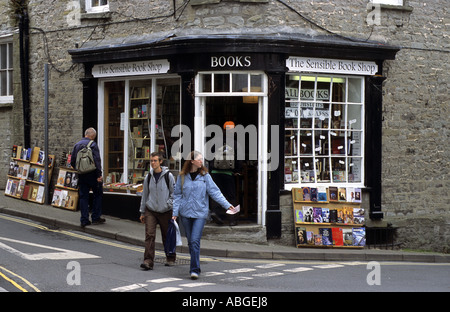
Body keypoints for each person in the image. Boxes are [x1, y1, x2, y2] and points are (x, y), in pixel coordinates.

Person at [172, 151, 234, 280]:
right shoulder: (182, 177)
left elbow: (215, 192)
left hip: (200, 213)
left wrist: (227, 205)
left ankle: (194, 270)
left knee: (195, 240)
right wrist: (175, 213)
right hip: (185, 214)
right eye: (199, 159)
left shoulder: (205, 176)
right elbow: (177, 195)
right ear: (192, 161)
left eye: (202, 159)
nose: (202, 161)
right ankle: (196, 265)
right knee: (191, 242)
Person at [139, 152, 176, 270]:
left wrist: (168, 205)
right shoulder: (148, 177)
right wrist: (142, 212)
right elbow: (145, 195)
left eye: (155, 160)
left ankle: (170, 257)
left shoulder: (168, 176)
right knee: (149, 235)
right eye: (151, 161)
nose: (153, 163)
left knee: (167, 235)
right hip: (151, 210)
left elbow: (174, 193)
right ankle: (148, 261)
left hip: (165, 211)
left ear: (160, 162)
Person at [209, 121, 242, 226]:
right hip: (228, 173)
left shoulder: (215, 142)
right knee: (231, 196)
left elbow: (209, 157)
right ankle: (232, 219)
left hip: (215, 172)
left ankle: (216, 213)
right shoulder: (236, 143)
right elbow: (239, 160)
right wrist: (237, 170)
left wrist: (211, 169)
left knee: (216, 194)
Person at [70, 127, 104, 227]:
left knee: (83, 196)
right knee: (97, 194)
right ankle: (95, 217)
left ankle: (84, 220)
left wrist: (79, 170)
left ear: (85, 134)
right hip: (93, 175)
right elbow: (97, 161)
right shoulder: (93, 145)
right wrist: (99, 175)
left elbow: (72, 161)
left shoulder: (77, 145)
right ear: (93, 136)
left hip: (81, 175)